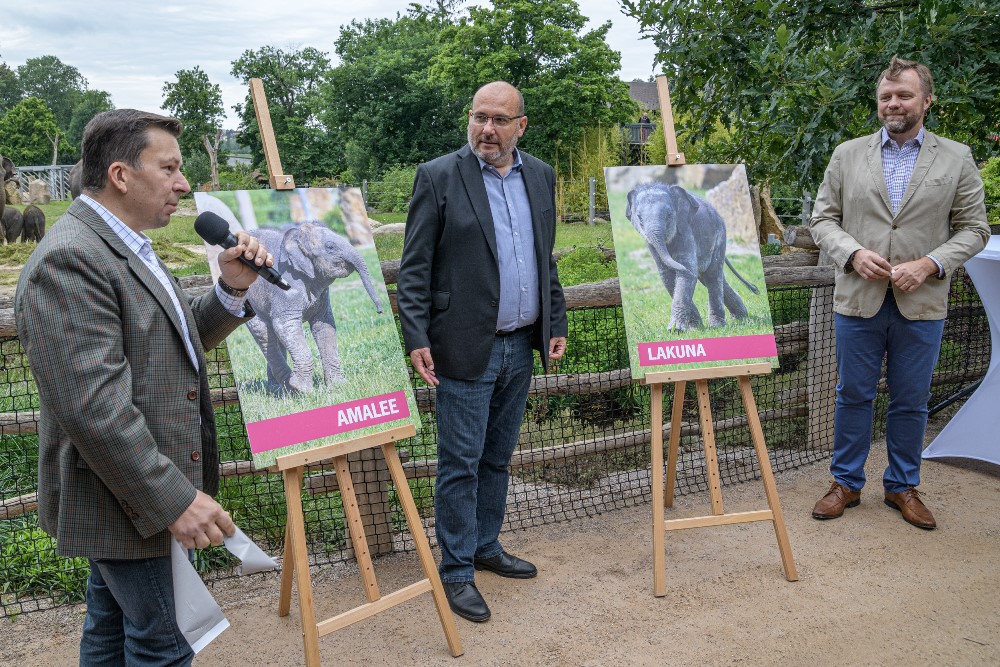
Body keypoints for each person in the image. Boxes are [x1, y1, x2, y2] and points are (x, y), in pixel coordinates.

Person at [15, 109, 274, 665]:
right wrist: (173, 498)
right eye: (170, 168)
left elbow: (170, 345)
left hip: (133, 495)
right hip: (124, 498)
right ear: (121, 175)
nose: (184, 184)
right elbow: (94, 408)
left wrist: (231, 289)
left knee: (111, 630)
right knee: (164, 640)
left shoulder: (125, 243)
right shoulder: (71, 259)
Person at [397, 81, 567, 622]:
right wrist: (417, 337)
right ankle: (455, 570)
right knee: (459, 464)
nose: (487, 129)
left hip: (521, 345)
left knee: (497, 458)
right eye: (479, 117)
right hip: (463, 345)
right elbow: (415, 267)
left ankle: (486, 546)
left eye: (499, 120)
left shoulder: (539, 175)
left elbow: (547, 257)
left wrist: (554, 319)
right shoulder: (439, 176)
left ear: (521, 125)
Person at [809, 57, 989, 530]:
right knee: (852, 396)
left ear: (926, 101)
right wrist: (851, 254)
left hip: (922, 301)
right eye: (886, 96)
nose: (894, 103)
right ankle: (845, 483)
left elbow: (975, 230)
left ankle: (902, 486)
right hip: (858, 299)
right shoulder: (847, 154)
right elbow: (822, 219)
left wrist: (932, 263)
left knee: (912, 400)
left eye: (904, 95)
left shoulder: (957, 157)